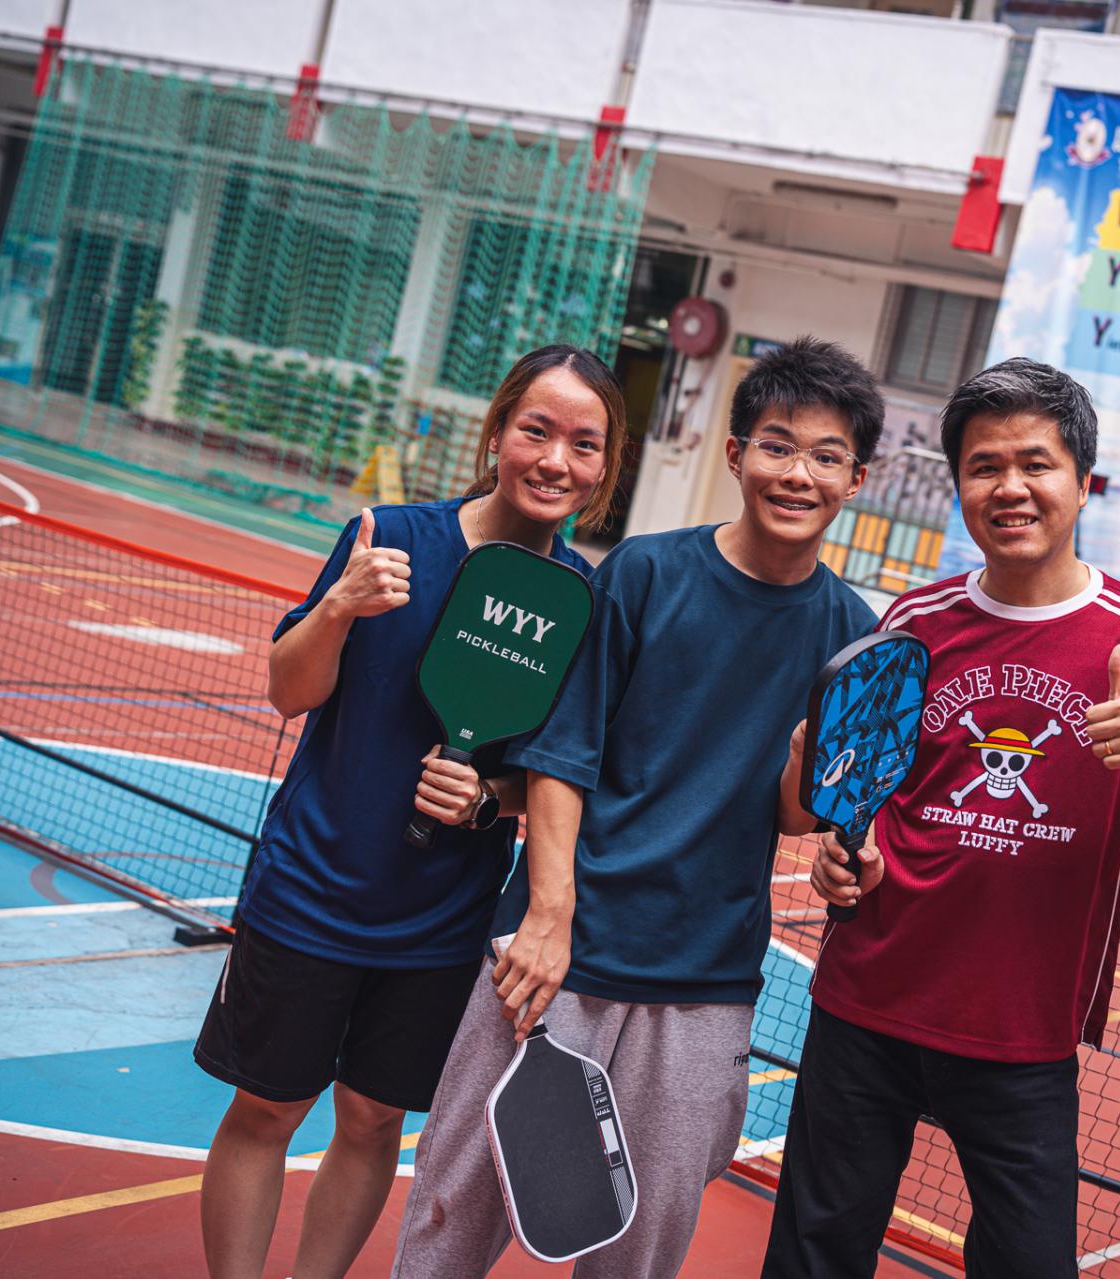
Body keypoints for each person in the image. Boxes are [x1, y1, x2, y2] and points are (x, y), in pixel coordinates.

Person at [392, 336, 884, 1279]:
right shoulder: (644, 574)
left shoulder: (852, 634)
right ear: (736, 454)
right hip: (558, 954)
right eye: (778, 446)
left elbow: (794, 814)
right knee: (455, 1209)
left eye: (827, 457)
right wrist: (548, 917)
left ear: (855, 478)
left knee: (641, 1247)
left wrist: (802, 775)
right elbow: (562, 756)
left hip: (705, 979)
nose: (799, 473)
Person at [762, 358, 1120, 1279]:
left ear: (1083, 483)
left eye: (1035, 464)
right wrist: (854, 854)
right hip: (869, 999)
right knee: (814, 1257)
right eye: (984, 467)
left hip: (1023, 1029)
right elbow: (863, 796)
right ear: (960, 486)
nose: (1010, 487)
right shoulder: (916, 618)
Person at [194, 344, 627, 1279]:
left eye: (584, 444)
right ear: (497, 433)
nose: (556, 460)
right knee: (267, 1108)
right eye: (537, 431)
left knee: (373, 1118)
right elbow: (287, 692)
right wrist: (339, 608)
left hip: (439, 922)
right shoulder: (387, 537)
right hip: (310, 890)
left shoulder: (581, 601)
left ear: (605, 465)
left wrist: (485, 799)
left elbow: (553, 775)